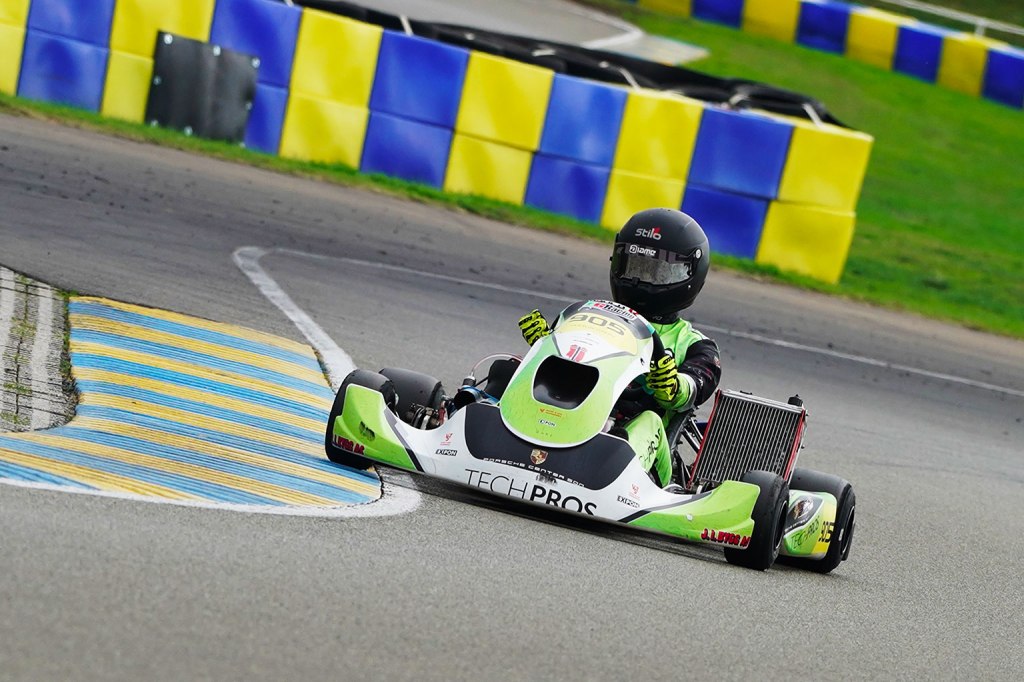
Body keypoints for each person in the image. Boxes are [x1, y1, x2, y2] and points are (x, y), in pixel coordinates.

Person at [517, 208, 721, 490]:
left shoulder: (697, 345)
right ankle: (489, 425)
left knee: (648, 420)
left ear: (690, 275)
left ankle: (613, 474)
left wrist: (673, 387)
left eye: (659, 273)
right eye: (635, 267)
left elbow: (698, 385)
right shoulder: (586, 313)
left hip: (645, 451)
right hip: (576, 417)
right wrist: (546, 345)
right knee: (509, 368)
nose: (642, 280)